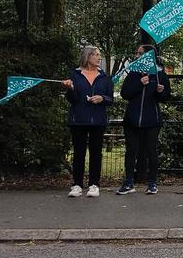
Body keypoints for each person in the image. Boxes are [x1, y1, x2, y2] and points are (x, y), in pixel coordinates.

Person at [118, 44, 171, 195]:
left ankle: (152, 183)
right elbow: (125, 94)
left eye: (140, 53)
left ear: (149, 56)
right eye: (137, 52)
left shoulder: (160, 74)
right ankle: (129, 182)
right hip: (132, 120)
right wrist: (140, 84)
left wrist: (160, 92)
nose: (137, 55)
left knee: (151, 151)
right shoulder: (133, 73)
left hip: (152, 120)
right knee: (131, 151)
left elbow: (166, 97)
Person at [62, 46, 113, 198]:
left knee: (96, 153)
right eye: (96, 55)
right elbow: (72, 99)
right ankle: (77, 184)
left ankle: (94, 184)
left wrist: (102, 98)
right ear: (87, 57)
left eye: (99, 55)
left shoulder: (104, 77)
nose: (99, 58)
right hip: (78, 120)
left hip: (98, 120)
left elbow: (111, 98)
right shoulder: (75, 75)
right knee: (78, 152)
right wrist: (70, 88)